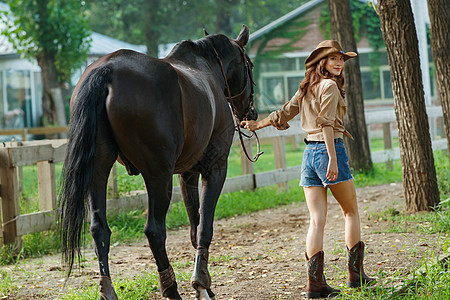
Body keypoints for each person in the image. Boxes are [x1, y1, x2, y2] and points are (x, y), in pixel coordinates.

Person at [241, 40, 376, 298]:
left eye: (341, 59)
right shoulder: (330, 87)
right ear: (321, 62)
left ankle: (315, 285)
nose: (338, 63)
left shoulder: (306, 88)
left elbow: (283, 113)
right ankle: (356, 276)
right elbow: (326, 123)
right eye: (333, 58)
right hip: (329, 150)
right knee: (351, 212)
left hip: (308, 155)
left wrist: (257, 125)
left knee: (316, 220)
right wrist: (333, 160)